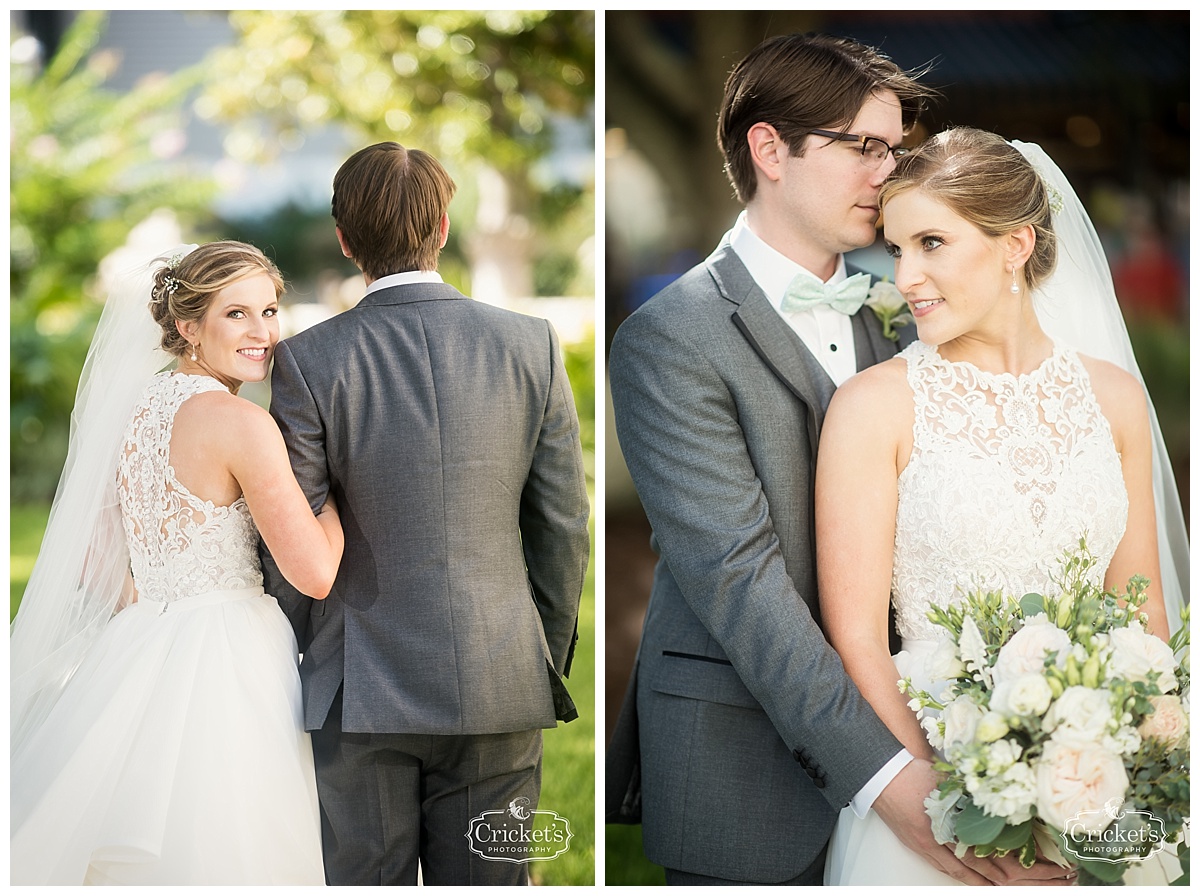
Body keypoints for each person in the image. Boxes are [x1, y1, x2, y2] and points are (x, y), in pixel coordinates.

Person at [605, 32, 1069, 886]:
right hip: (744, 765)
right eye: (865, 147)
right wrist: (892, 780)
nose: (888, 174)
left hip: (937, 730)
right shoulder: (668, 340)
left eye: (896, 151)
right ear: (770, 148)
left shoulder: (903, 315)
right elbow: (741, 585)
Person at [817, 127, 1187, 885]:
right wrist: (950, 807)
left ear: (1016, 244)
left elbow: (1143, 617)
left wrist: (1128, 787)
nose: (906, 276)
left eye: (931, 243)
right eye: (896, 249)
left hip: (1095, 795)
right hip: (934, 783)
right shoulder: (873, 408)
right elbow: (855, 642)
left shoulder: (1113, 401)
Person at [260, 142, 590, 886]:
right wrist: (536, 655)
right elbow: (563, 527)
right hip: (498, 674)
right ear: (443, 227)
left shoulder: (308, 360)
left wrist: (312, 666)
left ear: (345, 240)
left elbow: (294, 537)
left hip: (358, 689)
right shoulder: (529, 345)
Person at [10, 240, 343, 884]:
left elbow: (94, 559)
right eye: (237, 314)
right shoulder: (239, 422)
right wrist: (346, 503)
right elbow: (315, 573)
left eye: (270, 310)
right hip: (230, 651)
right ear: (188, 327)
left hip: (138, 646)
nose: (263, 332)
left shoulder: (130, 413)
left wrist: (155, 593)